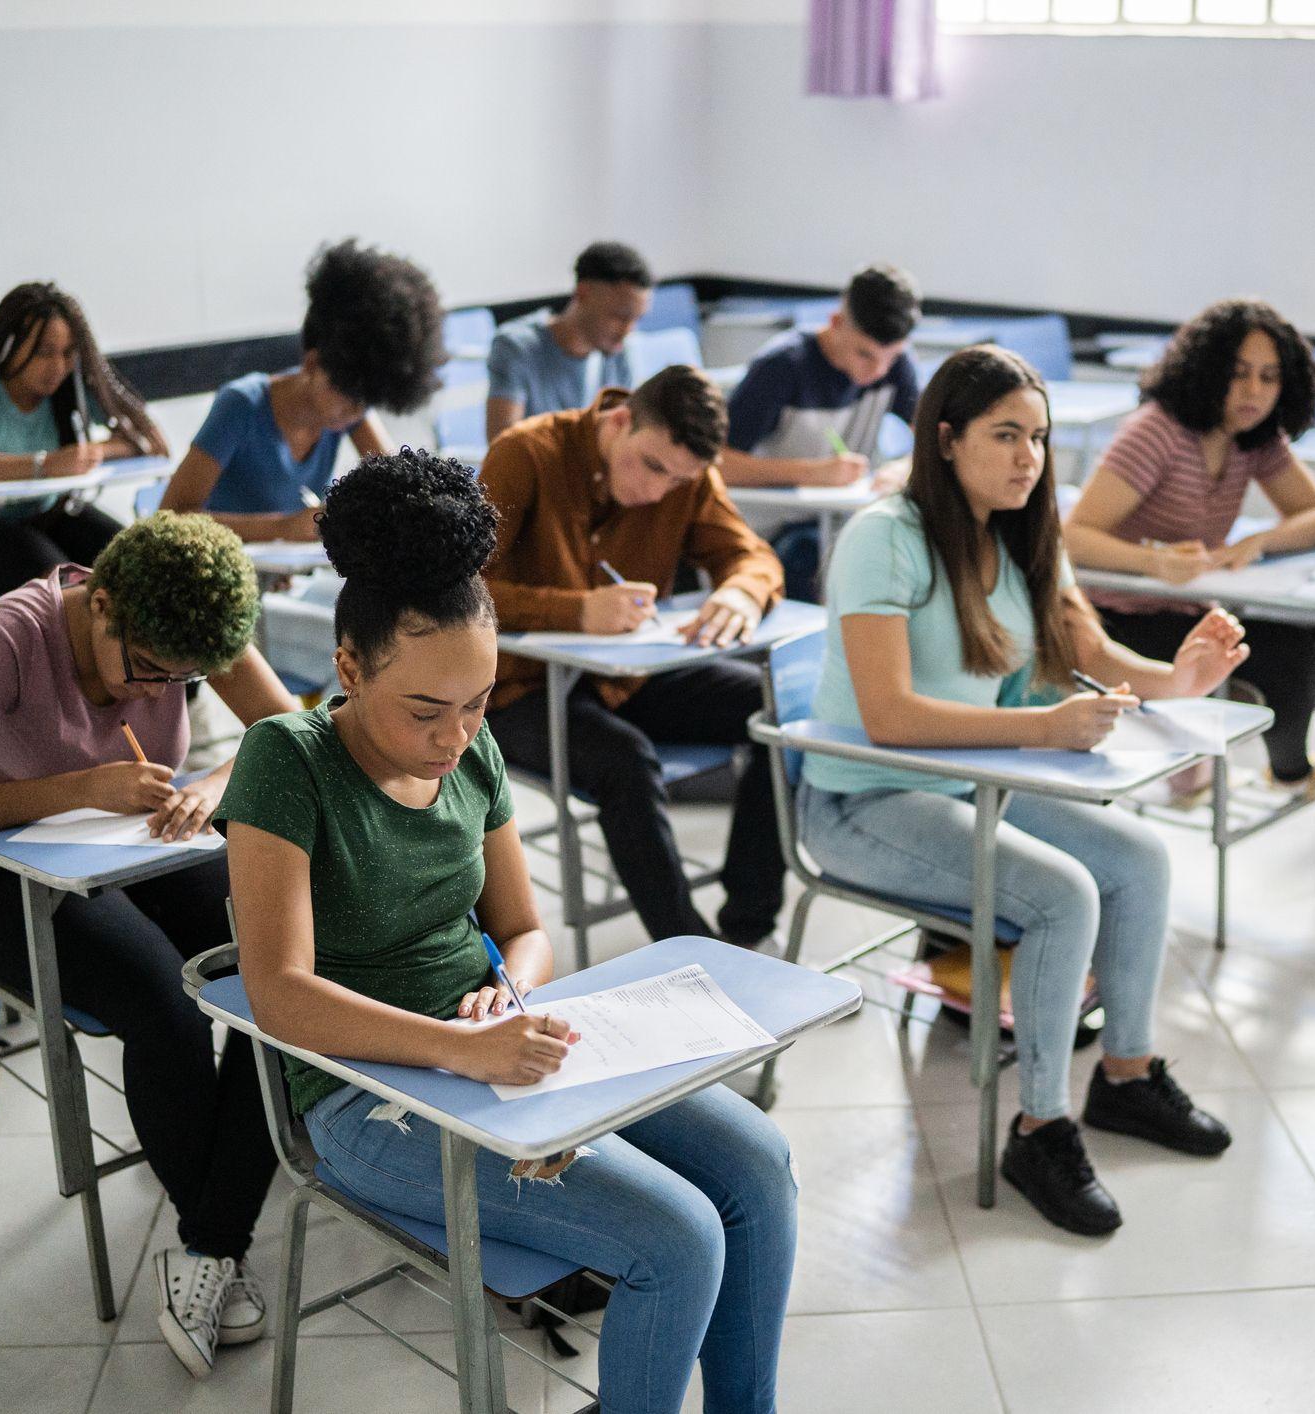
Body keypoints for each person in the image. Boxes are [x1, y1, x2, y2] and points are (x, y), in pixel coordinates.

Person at [218, 449, 797, 1414]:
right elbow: (279, 994)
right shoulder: (287, 758)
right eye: (425, 710)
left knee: (760, 1166)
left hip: (491, 1044)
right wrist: (465, 1048)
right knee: (680, 1239)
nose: (455, 737)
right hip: (361, 1094)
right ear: (348, 668)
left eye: (479, 703)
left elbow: (525, 927)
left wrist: (512, 998)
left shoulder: (474, 748)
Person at [800, 345, 1249, 1236]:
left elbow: (1089, 653)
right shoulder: (884, 535)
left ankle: (1125, 1078)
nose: (1026, 458)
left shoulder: (1021, 528)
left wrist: (1178, 677)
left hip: (969, 783)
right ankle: (1040, 1127)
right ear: (946, 436)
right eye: (1005, 435)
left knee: (1140, 859)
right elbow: (888, 715)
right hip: (864, 802)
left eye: (1037, 438)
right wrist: (1040, 729)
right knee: (1060, 895)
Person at [0, 512, 301, 1379]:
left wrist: (212, 784)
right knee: (164, 1006)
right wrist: (78, 787)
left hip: (139, 847)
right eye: (147, 670)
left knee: (283, 964)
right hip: (7, 883)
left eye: (182, 681)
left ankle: (206, 1245)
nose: (156, 690)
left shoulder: (186, 618)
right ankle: (217, 1231)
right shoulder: (14, 633)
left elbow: (284, 731)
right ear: (101, 604)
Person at [479, 366, 788, 949]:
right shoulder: (525, 453)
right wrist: (575, 611)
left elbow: (753, 556)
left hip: (626, 680)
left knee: (773, 708)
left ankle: (749, 932)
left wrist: (742, 590)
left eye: (678, 481)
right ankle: (692, 951)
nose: (658, 491)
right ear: (618, 421)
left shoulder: (684, 475)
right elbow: (460, 586)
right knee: (627, 760)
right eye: (651, 467)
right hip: (518, 691)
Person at [1064, 300, 1315, 799]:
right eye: (1239, 373)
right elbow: (1074, 536)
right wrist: (1153, 562)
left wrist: (1259, 539)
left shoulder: (1255, 438)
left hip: (1195, 611)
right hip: (1123, 618)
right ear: (1205, 370)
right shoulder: (1156, 432)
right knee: (1290, 657)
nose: (1254, 392)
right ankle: (1293, 777)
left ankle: (1250, 714)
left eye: (1269, 377)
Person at [159, 239, 443, 541]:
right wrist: (282, 528)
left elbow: (398, 484)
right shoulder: (241, 404)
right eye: (348, 396)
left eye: (366, 402)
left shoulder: (350, 409)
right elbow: (170, 517)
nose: (356, 412)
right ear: (312, 364)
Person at [0, 282, 171, 595]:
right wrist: (44, 465)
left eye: (68, 353)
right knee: (66, 586)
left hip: (46, 514)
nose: (57, 367)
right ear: (9, 344)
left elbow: (150, 440)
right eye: (43, 352)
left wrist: (92, 452)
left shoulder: (68, 385)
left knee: (137, 561)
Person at [724, 264, 922, 599]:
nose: (878, 371)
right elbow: (717, 463)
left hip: (840, 519)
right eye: (865, 354)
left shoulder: (895, 366)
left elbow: (932, 440)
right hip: (770, 531)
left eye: (891, 358)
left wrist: (902, 469)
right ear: (836, 323)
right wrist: (810, 473)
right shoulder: (782, 366)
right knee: (824, 561)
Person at [484, 240, 653, 443]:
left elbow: (624, 440)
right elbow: (502, 448)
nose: (627, 331)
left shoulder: (621, 351)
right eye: (619, 316)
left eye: (636, 319)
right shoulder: (516, 347)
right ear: (583, 294)